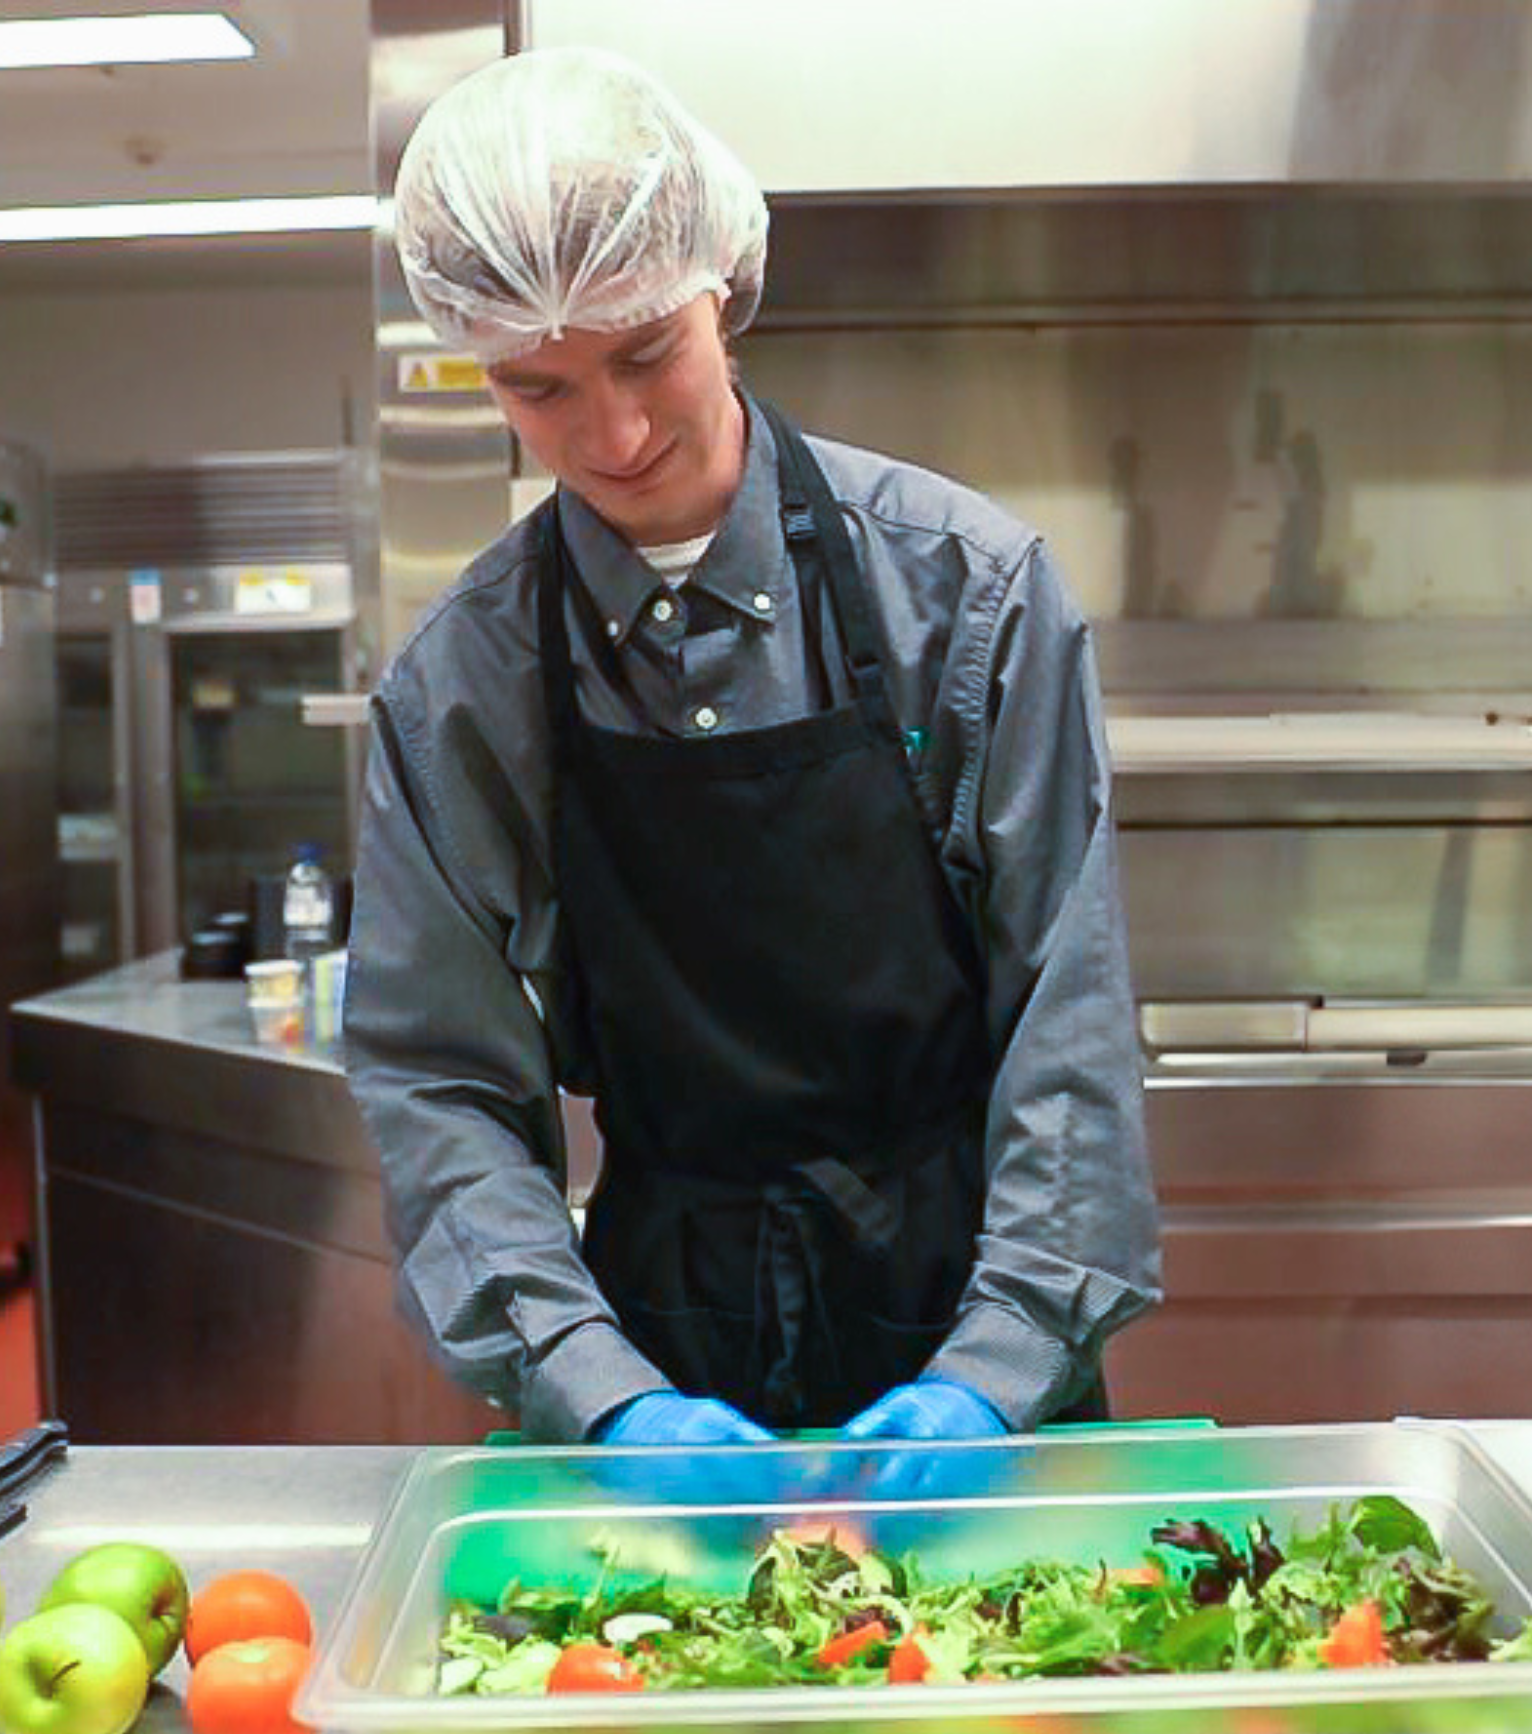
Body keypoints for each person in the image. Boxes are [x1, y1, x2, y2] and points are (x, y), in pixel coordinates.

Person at [345, 46, 1161, 1456]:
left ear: (719, 285)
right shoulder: (462, 688)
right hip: (655, 1335)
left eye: (646, 352)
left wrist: (1004, 1360)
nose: (612, 431)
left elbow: (1067, 1020)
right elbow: (442, 1083)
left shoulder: (969, 595)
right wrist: (600, 1397)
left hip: (973, 1306)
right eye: (540, 388)